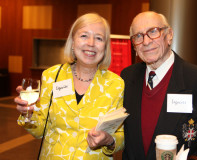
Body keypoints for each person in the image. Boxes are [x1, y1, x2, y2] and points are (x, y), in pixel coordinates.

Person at [14, 13, 125, 159]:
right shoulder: (52, 76)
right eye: (84, 36)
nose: (91, 43)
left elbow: (121, 135)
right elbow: (39, 129)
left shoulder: (115, 84)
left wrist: (109, 140)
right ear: (72, 42)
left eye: (98, 38)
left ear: (105, 47)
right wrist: (27, 113)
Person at [120, 11, 197, 160]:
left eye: (153, 31)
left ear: (169, 35)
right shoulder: (126, 77)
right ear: (134, 46)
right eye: (138, 36)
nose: (146, 41)